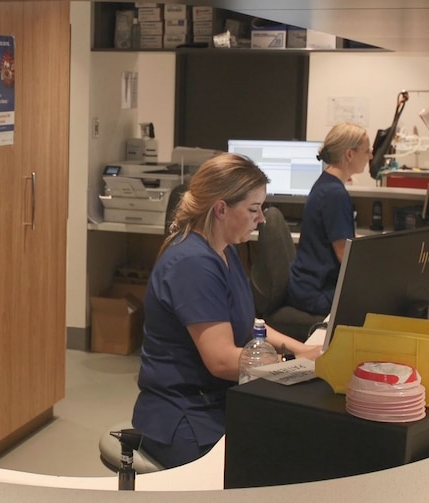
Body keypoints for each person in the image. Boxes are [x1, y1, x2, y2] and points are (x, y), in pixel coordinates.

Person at [131, 153, 322, 469]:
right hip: (187, 417)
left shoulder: (225, 252)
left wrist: (303, 348)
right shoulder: (193, 264)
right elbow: (220, 360)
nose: (261, 218)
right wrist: (296, 362)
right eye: (253, 209)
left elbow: (248, 324)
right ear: (221, 208)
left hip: (217, 403)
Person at [286, 122, 372, 317]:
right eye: (367, 151)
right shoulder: (335, 194)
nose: (370, 157)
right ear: (349, 154)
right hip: (317, 292)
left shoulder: (325, 183)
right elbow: (345, 255)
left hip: (306, 286)